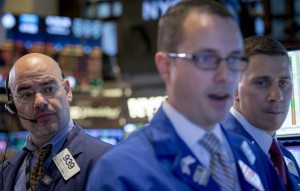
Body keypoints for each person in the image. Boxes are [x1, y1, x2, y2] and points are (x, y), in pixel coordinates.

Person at [87, 1, 285, 190]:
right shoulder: (123, 171)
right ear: (166, 66)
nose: (225, 75)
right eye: (206, 58)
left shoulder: (251, 154)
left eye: (233, 59)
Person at [0, 53, 112, 191]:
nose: (40, 102)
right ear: (13, 104)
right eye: (26, 94)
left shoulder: (107, 161)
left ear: (67, 91)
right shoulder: (5, 172)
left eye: (49, 89)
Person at [222, 35, 300, 190]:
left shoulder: (284, 156)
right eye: (261, 83)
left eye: (283, 83)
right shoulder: (220, 156)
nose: (276, 96)